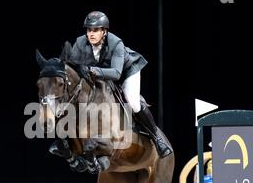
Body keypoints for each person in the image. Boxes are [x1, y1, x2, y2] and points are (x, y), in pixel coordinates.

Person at [51, 10, 172, 158]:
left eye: (95, 30)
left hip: (126, 71)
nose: (91, 34)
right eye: (89, 30)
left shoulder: (116, 43)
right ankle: (63, 141)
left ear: (104, 31)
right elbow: (71, 65)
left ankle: (157, 138)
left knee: (133, 101)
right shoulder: (80, 42)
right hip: (100, 74)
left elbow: (116, 73)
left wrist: (92, 70)